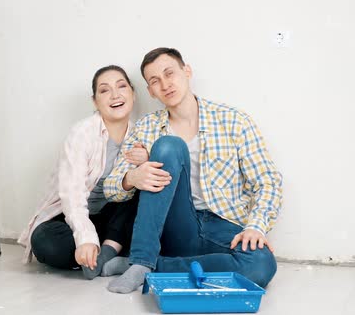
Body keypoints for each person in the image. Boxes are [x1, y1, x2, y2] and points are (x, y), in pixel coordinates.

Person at [102, 48, 283, 293]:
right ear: (151, 91)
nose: (165, 84)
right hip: (174, 226)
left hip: (222, 225)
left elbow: (267, 181)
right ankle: (142, 259)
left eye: (170, 73)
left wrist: (256, 226)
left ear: (186, 72)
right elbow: (111, 188)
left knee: (261, 264)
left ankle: (151, 267)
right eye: (155, 81)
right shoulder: (146, 127)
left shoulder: (234, 121)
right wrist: (133, 177)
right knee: (168, 146)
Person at [18, 65, 146, 279]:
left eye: (121, 86)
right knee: (44, 241)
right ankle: (108, 254)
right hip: (71, 216)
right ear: (95, 101)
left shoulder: (141, 134)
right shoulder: (82, 133)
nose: (115, 95)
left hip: (113, 220)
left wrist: (146, 160)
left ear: (132, 93)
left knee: (140, 187)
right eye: (105, 90)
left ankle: (101, 257)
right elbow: (72, 195)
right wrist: (85, 238)